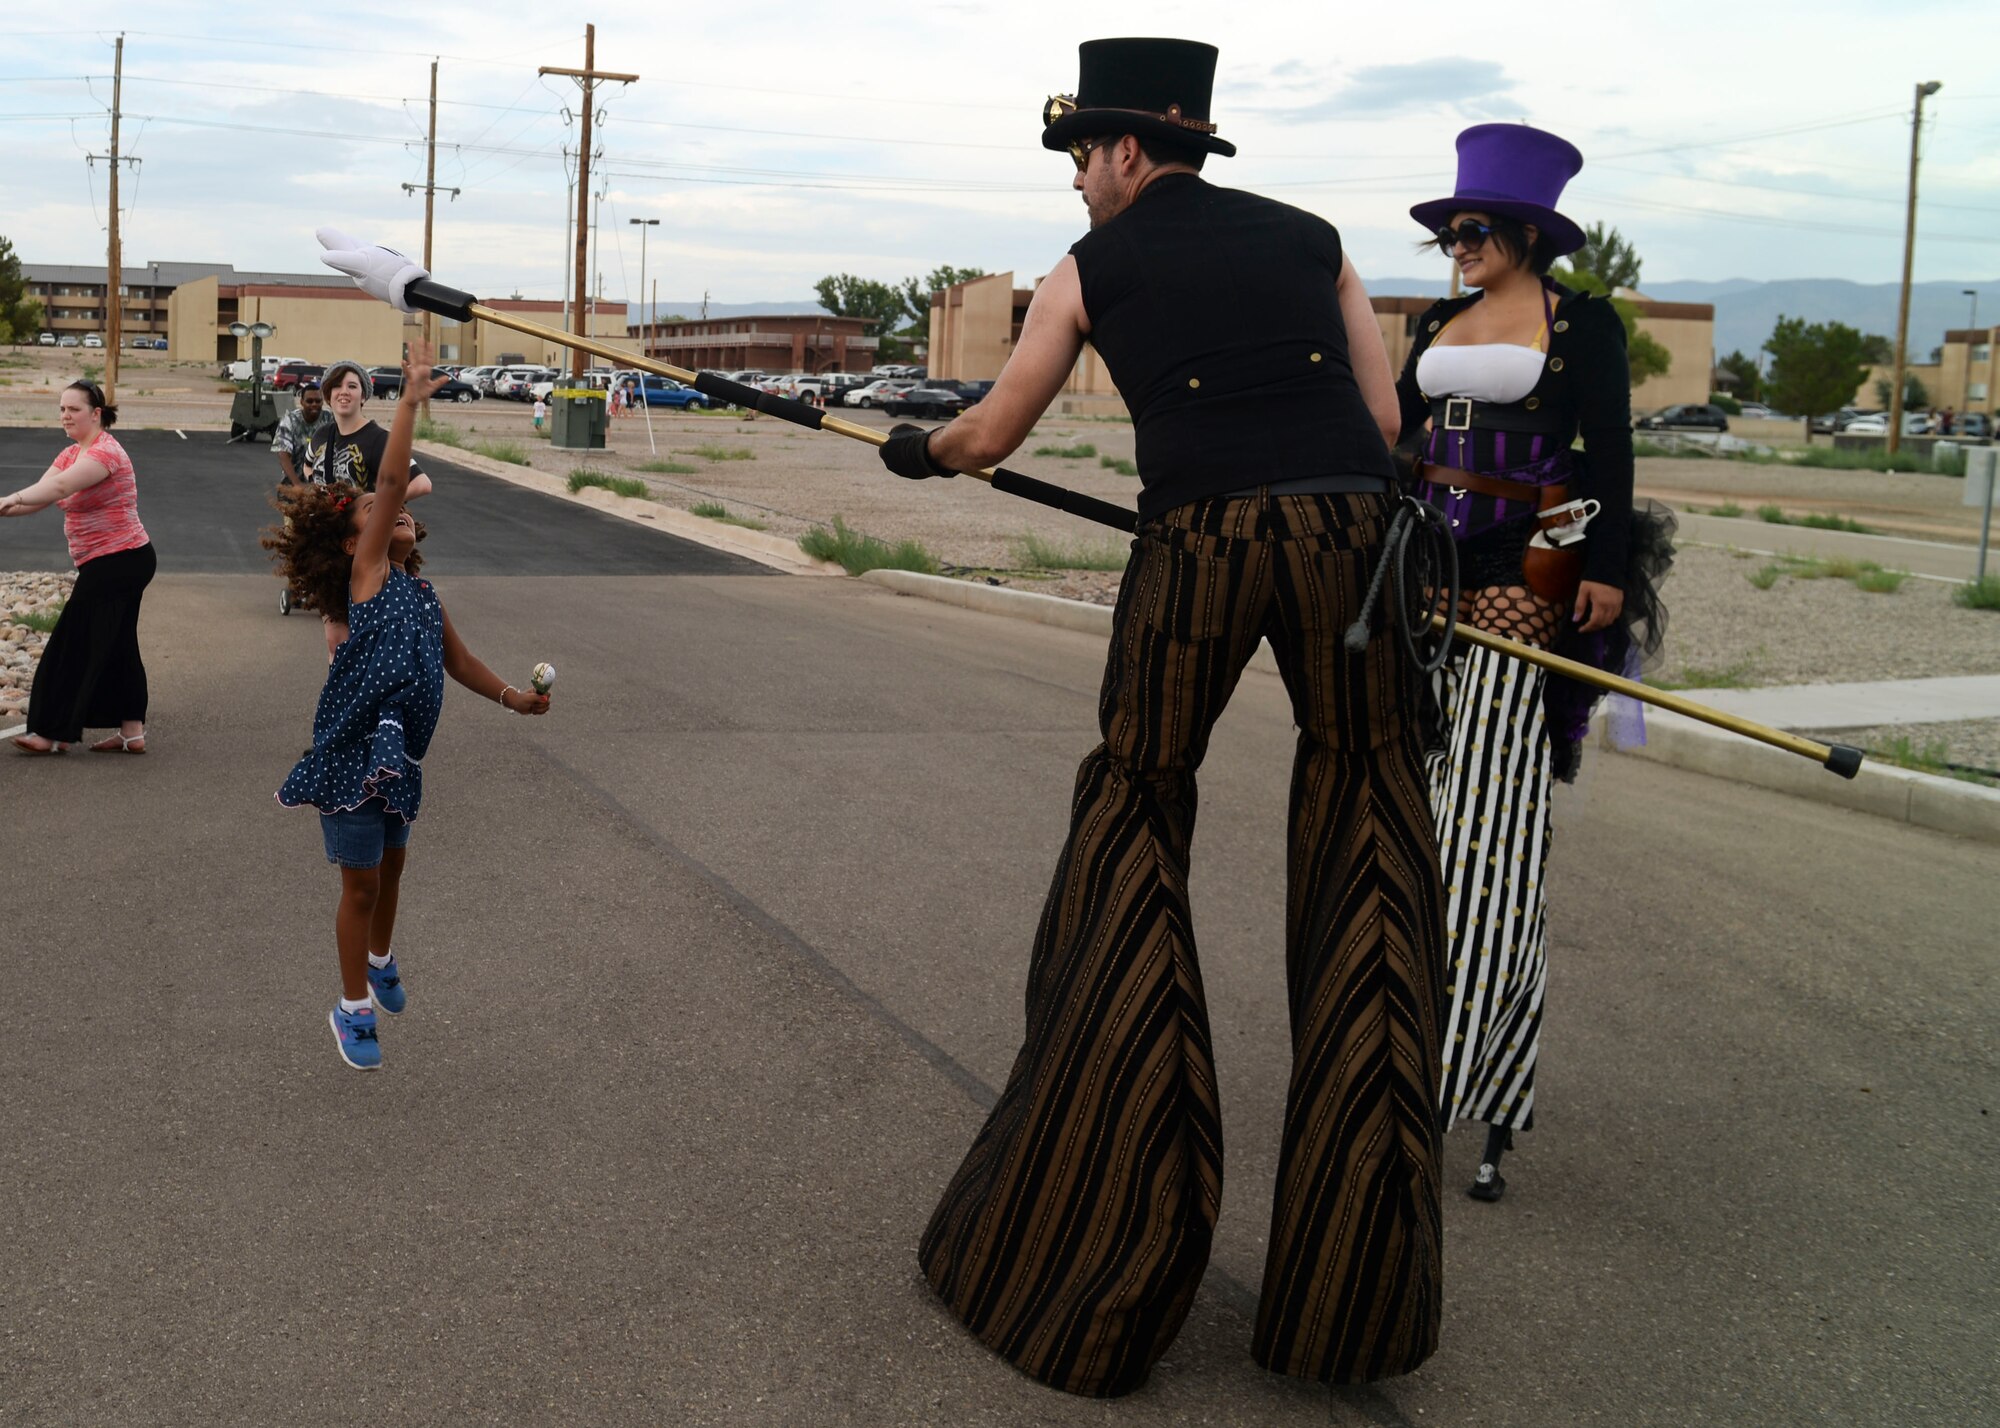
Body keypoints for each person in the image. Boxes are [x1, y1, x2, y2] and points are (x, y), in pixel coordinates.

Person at [875, 38, 1446, 1397]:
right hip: (1357, 541)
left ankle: (1101, 1246)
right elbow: (1377, 418)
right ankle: (1356, 1290)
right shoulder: (1317, 240)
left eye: (1083, 155)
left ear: (1132, 149)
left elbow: (994, 429)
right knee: (1368, 824)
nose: (1076, 180)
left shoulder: (1091, 266)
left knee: (1134, 809)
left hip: (1199, 545)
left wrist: (919, 445)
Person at [1393, 124, 1672, 1202]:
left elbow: (1606, 449)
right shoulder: (1437, 321)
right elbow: (1406, 435)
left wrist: (1598, 568)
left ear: (1524, 233)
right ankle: (1393, 1036)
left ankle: (1466, 1067)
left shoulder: (1583, 327)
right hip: (1423, 559)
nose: (1456, 247)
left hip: (1529, 563)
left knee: (1488, 817)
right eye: (1448, 233)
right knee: (1412, 795)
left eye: (1472, 231)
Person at [266, 341, 551, 1071]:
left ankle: (382, 959)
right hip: (351, 751)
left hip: (401, 757)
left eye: (392, 513)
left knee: (393, 872)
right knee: (359, 884)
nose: (389, 513)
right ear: (354, 536)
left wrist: (513, 697)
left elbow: (460, 662)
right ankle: (352, 1008)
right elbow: (392, 477)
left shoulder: (421, 593)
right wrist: (411, 404)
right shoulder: (366, 578)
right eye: (372, 511)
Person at [1, 379, 157, 755]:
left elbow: (57, 490)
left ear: (96, 413)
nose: (65, 416)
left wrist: (7, 498)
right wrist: (7, 507)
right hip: (111, 561)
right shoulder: (71, 453)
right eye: (62, 409)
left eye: (74, 409)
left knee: (71, 644)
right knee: (119, 644)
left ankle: (51, 732)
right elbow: (37, 497)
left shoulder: (105, 453)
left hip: (120, 560)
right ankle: (132, 731)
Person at [302, 360, 434, 657]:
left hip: (370, 551)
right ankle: (341, 699)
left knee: (366, 638)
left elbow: (422, 483)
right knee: (335, 638)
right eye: (336, 386)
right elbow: (308, 466)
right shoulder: (322, 435)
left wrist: (381, 507)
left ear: (364, 395)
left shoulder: (379, 439)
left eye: (352, 385)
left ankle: (369, 697)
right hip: (334, 551)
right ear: (327, 394)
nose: (343, 392)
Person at [272, 380, 332, 486]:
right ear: (302, 402)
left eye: (318, 401)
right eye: (309, 401)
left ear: (322, 402)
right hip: (293, 483)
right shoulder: (290, 420)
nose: (314, 404)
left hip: (323, 486)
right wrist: (297, 485)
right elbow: (283, 454)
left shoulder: (330, 419)